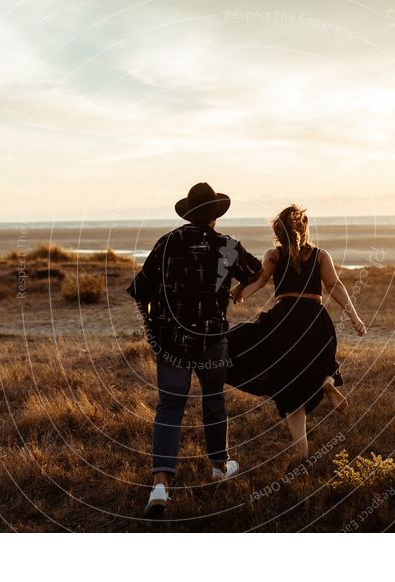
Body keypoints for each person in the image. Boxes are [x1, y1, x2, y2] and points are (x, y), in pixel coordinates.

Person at [126, 182, 262, 518]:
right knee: (213, 399)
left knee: (169, 407)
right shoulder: (228, 247)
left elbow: (140, 290)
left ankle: (160, 485)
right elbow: (259, 271)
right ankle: (218, 466)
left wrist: (150, 326)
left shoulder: (167, 243)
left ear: (188, 213)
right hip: (213, 340)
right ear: (215, 216)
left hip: (171, 341)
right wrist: (240, 290)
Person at [227, 204, 367, 463]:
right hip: (316, 323)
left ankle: (302, 452)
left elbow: (258, 279)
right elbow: (334, 285)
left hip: (284, 324)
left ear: (278, 232)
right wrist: (355, 318)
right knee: (315, 367)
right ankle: (325, 381)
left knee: (286, 387)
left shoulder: (274, 255)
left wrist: (239, 291)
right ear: (305, 228)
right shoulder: (320, 255)